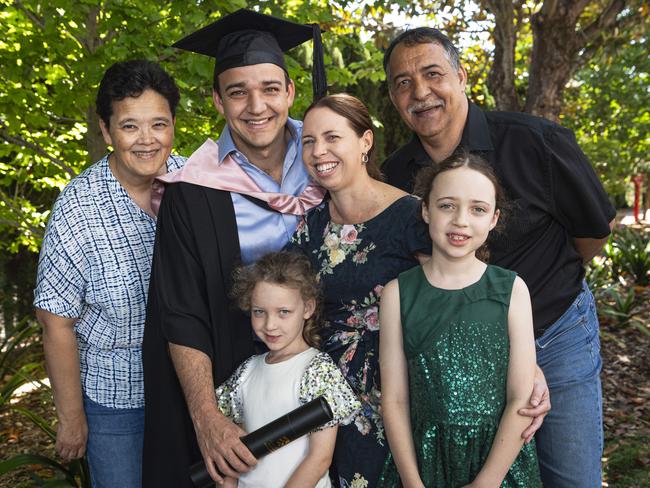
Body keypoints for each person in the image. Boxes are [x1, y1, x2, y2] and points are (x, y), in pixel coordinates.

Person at [382, 27, 615, 487]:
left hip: (555, 332)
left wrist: (542, 296)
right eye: (402, 82)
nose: (420, 92)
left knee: (570, 476)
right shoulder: (396, 177)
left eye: (432, 74)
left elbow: (592, 233)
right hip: (468, 358)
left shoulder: (536, 142)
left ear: (462, 76)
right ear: (392, 96)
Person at [142, 9, 328, 488]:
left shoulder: (328, 159)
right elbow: (180, 312)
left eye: (269, 88)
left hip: (328, 381)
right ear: (218, 100)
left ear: (290, 91)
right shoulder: (192, 191)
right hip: (237, 388)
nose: (256, 105)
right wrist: (207, 419)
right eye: (237, 91)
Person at [33, 60, 184, 487]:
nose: (147, 140)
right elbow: (55, 321)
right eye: (130, 126)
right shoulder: (78, 208)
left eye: (159, 123)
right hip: (117, 401)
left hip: (190, 391)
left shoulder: (193, 182)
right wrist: (71, 416)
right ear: (106, 130)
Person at [287, 93, 431, 487]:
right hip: (326, 401)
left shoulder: (413, 217)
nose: (319, 151)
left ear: (365, 141)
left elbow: (456, 295)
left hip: (397, 392)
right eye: (309, 141)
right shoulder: (310, 227)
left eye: (333, 137)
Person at [379, 151, 541, 487]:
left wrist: (486, 482)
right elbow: (394, 400)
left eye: (477, 209)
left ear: (494, 219)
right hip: (422, 463)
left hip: (498, 463)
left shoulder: (511, 290)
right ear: (426, 209)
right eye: (447, 206)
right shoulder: (398, 293)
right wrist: (412, 482)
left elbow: (520, 399)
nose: (461, 221)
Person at [216, 251, 361, 488]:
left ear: (307, 308)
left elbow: (319, 458)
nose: (270, 324)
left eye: (283, 312)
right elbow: (234, 454)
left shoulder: (317, 369)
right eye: (259, 312)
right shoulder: (246, 372)